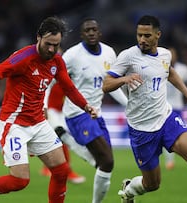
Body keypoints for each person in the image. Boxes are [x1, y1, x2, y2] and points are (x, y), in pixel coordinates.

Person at [0, 16, 97, 203]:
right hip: (14, 124)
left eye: (56, 44)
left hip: (38, 123)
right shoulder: (23, 59)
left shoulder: (57, 62)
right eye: (48, 44)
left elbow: (69, 88)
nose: (52, 49)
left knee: (61, 171)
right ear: (38, 37)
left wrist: (86, 106)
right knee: (20, 180)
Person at [102, 15, 187, 203]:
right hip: (142, 128)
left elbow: (169, 72)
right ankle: (129, 191)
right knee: (152, 184)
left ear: (157, 35)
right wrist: (124, 79)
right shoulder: (128, 56)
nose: (142, 40)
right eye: (139, 35)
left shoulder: (165, 54)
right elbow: (106, 84)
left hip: (165, 117)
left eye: (147, 35)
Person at [62, 18, 128, 203]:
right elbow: (51, 78)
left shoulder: (109, 53)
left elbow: (110, 86)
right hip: (77, 113)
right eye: (87, 30)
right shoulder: (72, 55)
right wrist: (42, 104)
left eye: (94, 30)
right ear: (82, 34)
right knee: (107, 161)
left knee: (104, 164)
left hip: (95, 114)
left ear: (99, 32)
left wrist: (128, 105)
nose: (91, 33)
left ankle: (66, 139)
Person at [40, 81, 95, 184]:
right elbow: (46, 88)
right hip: (52, 111)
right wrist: (44, 107)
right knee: (62, 139)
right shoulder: (57, 74)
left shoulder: (70, 77)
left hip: (61, 112)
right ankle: (67, 172)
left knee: (56, 140)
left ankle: (47, 168)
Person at [163, 47, 187, 170]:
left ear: (176, 56)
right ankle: (170, 161)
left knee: (181, 134)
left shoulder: (184, 69)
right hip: (163, 108)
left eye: (174, 54)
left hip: (177, 107)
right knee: (166, 135)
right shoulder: (159, 68)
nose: (172, 57)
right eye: (170, 54)